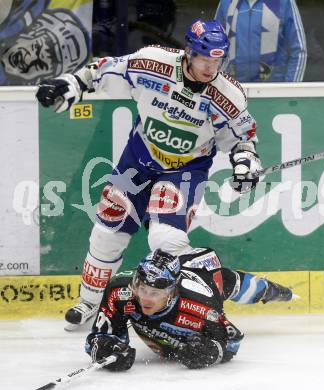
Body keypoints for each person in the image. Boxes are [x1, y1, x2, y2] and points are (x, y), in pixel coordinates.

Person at [36, 19, 262, 330]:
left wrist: (245, 160)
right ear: (188, 52)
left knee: (165, 239)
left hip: (185, 170)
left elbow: (242, 137)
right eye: (203, 59)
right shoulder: (154, 63)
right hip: (138, 161)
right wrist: (73, 83)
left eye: (217, 61)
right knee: (107, 229)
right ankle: (90, 302)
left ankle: (180, 305)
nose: (210, 68)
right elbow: (105, 69)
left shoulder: (228, 96)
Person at [85, 248, 295, 370]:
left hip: (209, 276)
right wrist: (104, 347)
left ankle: (285, 293)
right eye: (142, 289)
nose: (146, 298)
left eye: (156, 293)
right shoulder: (120, 290)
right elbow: (101, 335)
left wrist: (210, 352)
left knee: (256, 289)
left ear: (171, 292)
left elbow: (232, 341)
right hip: (181, 270)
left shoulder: (200, 307)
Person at [215, 0, 307, 82]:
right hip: (233, 89)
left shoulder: (284, 2)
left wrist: (290, 89)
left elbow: (299, 51)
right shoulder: (226, 2)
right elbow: (214, 46)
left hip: (273, 90)